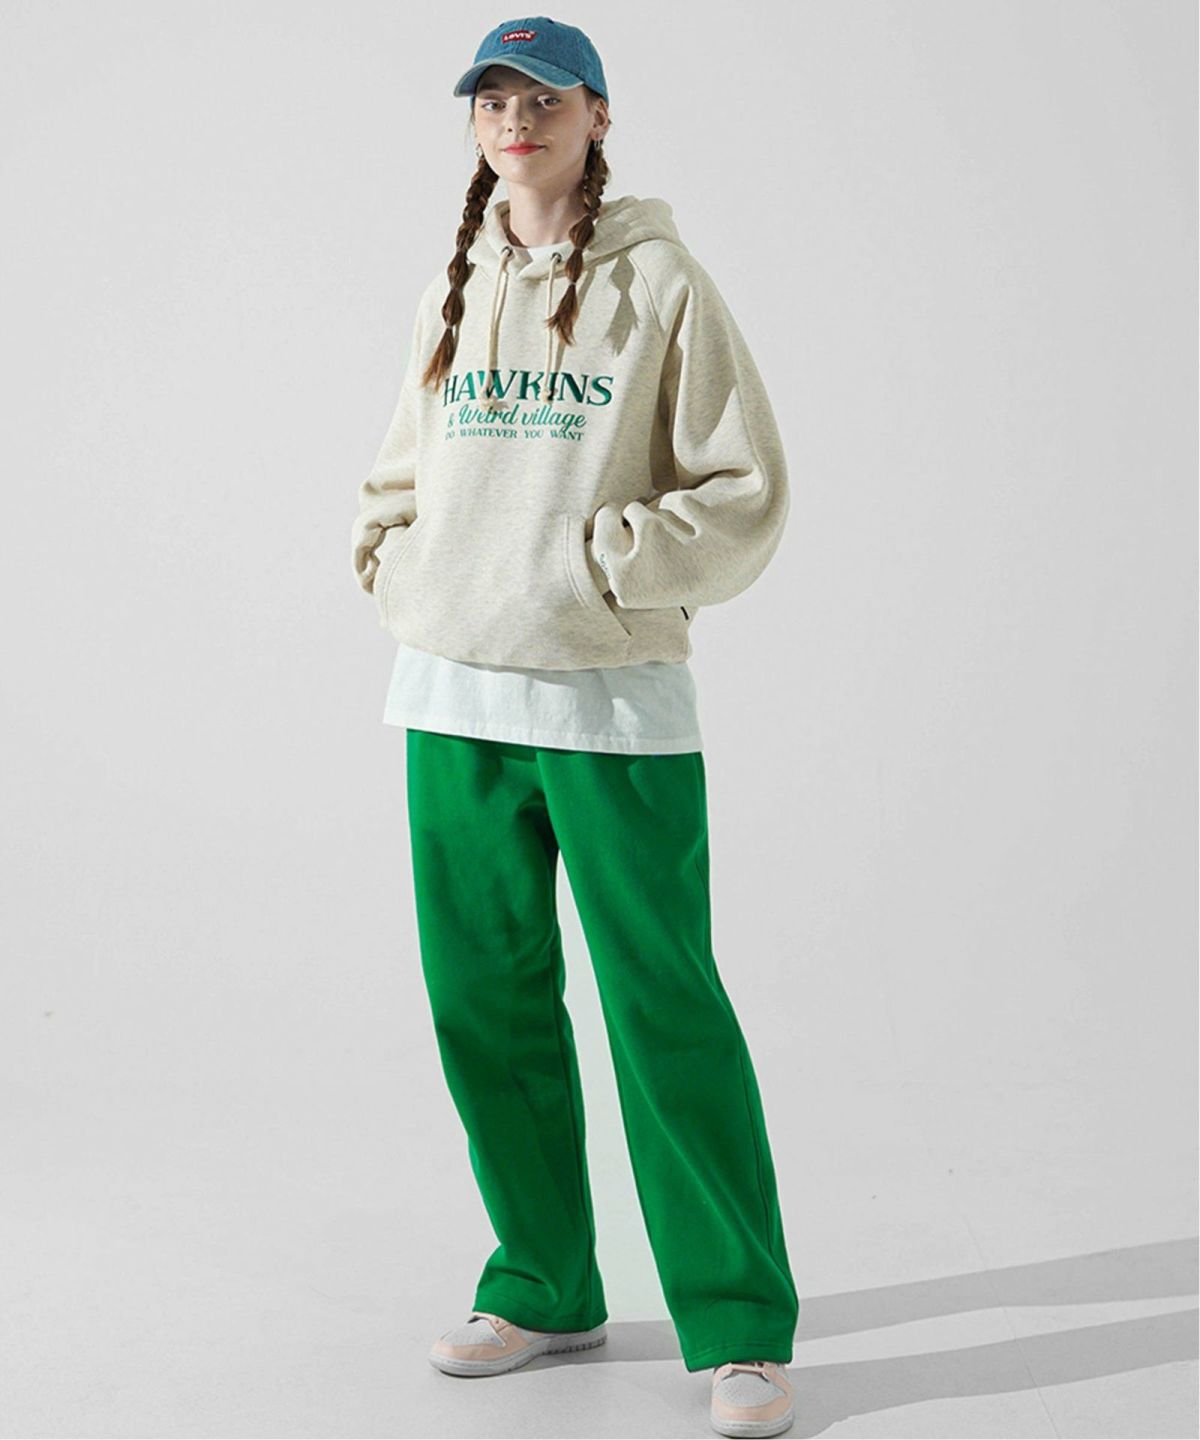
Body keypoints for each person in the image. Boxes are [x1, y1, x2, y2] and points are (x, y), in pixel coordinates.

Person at [350, 16, 798, 1438]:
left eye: (544, 98)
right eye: (493, 99)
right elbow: (398, 476)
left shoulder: (660, 281)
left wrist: (610, 565)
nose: (516, 119)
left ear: (599, 115)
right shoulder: (454, 281)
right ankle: (544, 1284)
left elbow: (744, 488)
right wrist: (403, 570)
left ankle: (739, 1326)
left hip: (612, 702)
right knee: (484, 1005)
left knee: (662, 1008)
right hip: (451, 697)